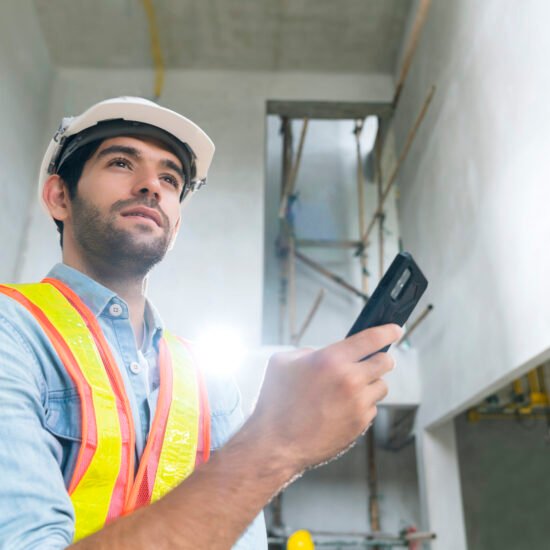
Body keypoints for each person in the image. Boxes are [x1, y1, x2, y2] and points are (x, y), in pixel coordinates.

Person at [0, 96, 401, 550]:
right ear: (59, 196)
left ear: (175, 224)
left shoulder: (208, 381)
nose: (151, 185)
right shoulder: (13, 330)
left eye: (170, 178)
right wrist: (276, 442)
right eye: (120, 163)